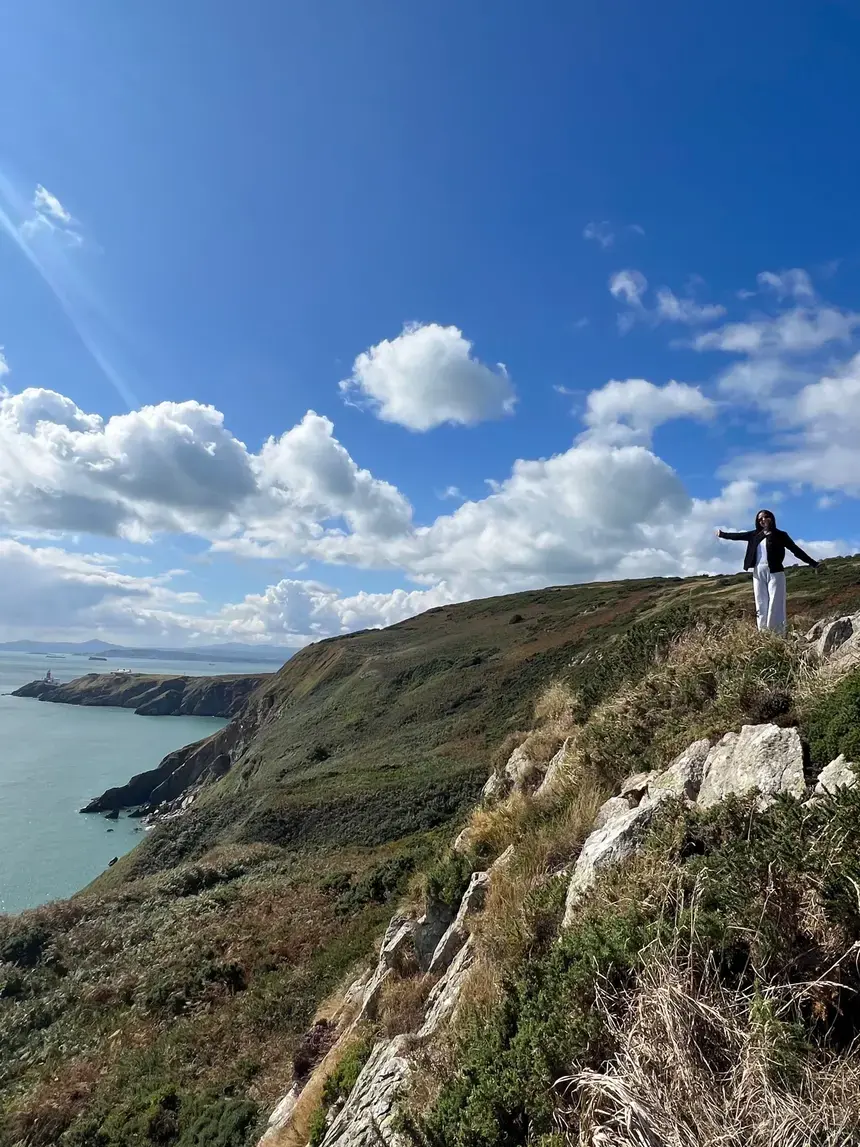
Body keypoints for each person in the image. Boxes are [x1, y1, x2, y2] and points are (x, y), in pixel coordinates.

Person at [715, 510, 821, 634]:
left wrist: (813, 563)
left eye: (766, 517)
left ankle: (777, 633)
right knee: (761, 603)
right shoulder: (754, 535)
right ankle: (763, 633)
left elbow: (796, 550)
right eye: (760, 519)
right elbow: (737, 536)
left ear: (771, 518)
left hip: (775, 572)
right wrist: (722, 534)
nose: (763, 520)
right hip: (758, 572)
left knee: (775, 602)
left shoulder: (780, 535)